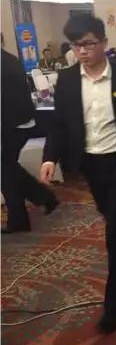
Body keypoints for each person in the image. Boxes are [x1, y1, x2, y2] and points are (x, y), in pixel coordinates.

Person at [40, 14, 116, 334]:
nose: (81, 51)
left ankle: (113, 305)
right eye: (75, 45)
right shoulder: (68, 79)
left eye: (88, 44)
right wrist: (49, 158)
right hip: (90, 164)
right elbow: (59, 123)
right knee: (114, 217)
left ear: (104, 43)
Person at [1, 34, 58, 233]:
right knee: (8, 169)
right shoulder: (10, 59)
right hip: (20, 122)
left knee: (6, 172)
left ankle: (22, 218)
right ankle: (43, 198)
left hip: (11, 125)